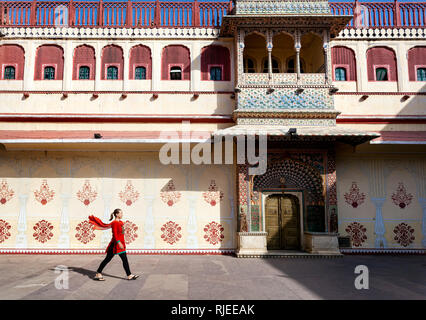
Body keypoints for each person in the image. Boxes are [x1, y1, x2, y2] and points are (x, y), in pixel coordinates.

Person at [88, 209, 139, 281]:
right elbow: (115, 234)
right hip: (115, 245)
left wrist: (122, 243)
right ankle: (98, 273)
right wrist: (119, 242)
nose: (122, 214)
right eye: (121, 213)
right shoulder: (115, 223)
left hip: (120, 244)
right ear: (117, 214)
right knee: (107, 259)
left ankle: (129, 275)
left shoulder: (120, 222)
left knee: (124, 260)